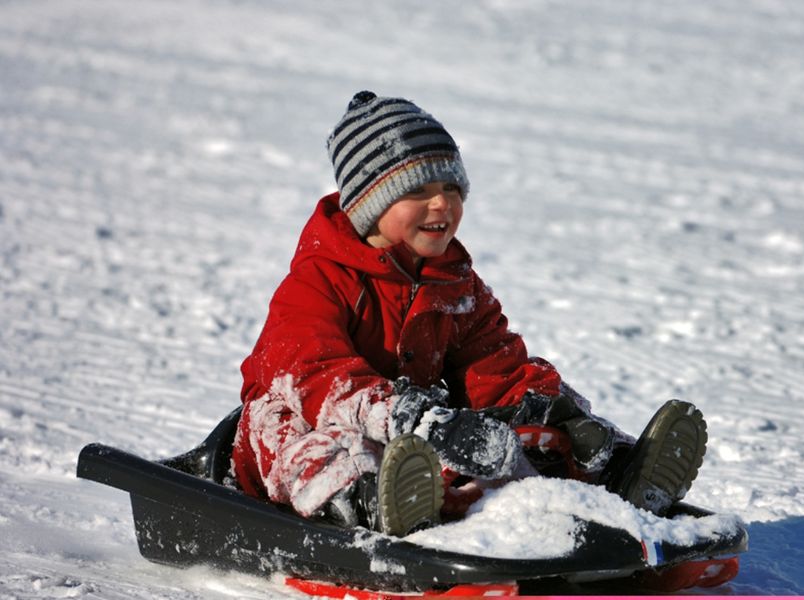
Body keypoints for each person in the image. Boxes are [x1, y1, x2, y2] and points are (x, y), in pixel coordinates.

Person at [231, 91, 707, 536]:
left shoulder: (453, 282)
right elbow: (313, 375)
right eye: (419, 190)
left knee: (530, 414)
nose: (443, 203)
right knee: (313, 439)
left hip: (411, 443)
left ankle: (615, 473)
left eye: (452, 187)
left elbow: (493, 363)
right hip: (299, 427)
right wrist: (412, 417)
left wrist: (542, 410)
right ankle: (372, 504)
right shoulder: (317, 283)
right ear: (371, 205)